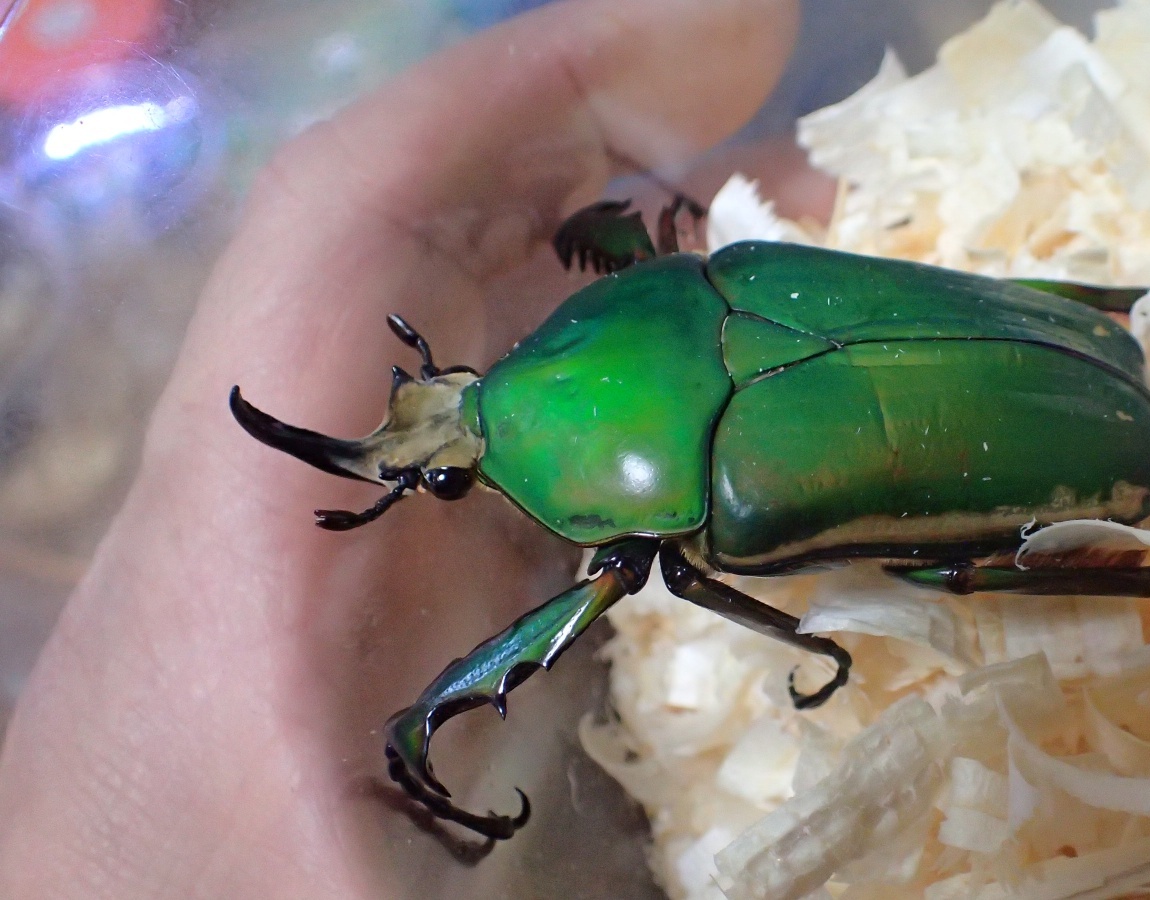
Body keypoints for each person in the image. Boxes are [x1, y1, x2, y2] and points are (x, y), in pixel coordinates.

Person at [0, 0, 805, 894]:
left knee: (654, 562)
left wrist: (424, 719)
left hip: (783, 400)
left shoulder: (637, 488)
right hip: (766, 332)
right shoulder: (633, 309)